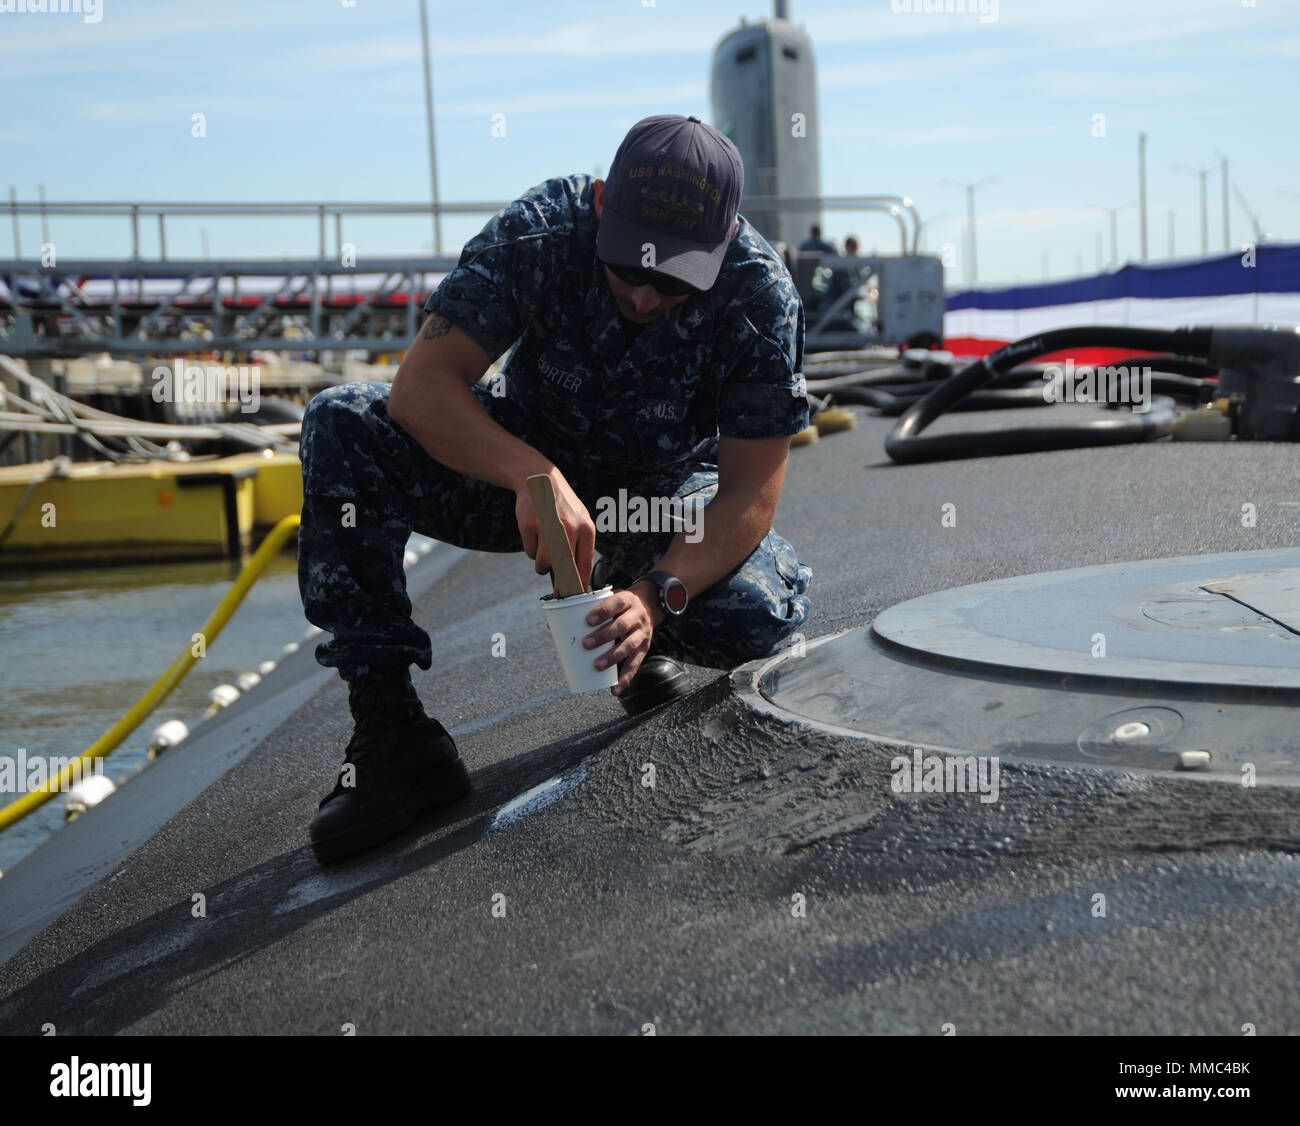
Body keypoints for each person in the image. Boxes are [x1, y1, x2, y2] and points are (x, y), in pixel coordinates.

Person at [297, 114, 814, 863]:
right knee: (342, 423)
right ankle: (394, 735)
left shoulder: (759, 294)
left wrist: (655, 595)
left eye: (670, 280)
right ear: (603, 204)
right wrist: (529, 474)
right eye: (626, 271)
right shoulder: (542, 229)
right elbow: (422, 388)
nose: (642, 297)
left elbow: (750, 494)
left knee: (753, 610)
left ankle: (632, 619)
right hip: (524, 465)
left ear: (724, 242)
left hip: (656, 500)